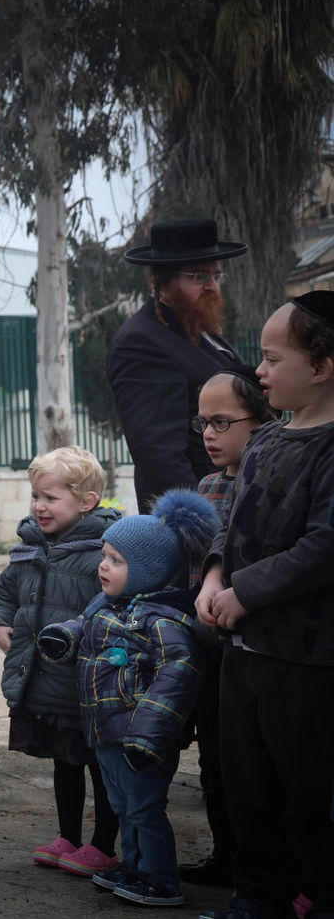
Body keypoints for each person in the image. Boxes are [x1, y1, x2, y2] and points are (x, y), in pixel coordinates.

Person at [194, 291, 334, 919]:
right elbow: (233, 523)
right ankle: (257, 896)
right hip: (242, 649)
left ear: (323, 365)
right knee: (246, 782)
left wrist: (244, 592)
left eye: (274, 359)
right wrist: (215, 574)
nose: (260, 372)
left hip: (305, 657)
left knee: (305, 791)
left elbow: (325, 546)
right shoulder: (270, 441)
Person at [39, 489, 218, 908]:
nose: (104, 566)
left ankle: (159, 878)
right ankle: (134, 867)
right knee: (122, 804)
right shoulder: (109, 607)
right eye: (105, 555)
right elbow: (84, 627)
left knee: (144, 807)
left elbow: (178, 678)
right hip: (106, 728)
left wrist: (149, 735)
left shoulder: (164, 623)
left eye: (116, 561)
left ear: (148, 570)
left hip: (140, 738)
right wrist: (64, 636)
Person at [0, 446, 122, 877]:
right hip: (46, 681)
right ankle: (68, 837)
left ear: (86, 501)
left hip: (88, 684)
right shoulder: (29, 548)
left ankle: (103, 845)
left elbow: (115, 606)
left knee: (100, 766)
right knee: (66, 761)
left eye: (51, 498)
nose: (39, 507)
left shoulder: (105, 551)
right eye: (35, 497)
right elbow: (5, 594)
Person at [181, 370, 278, 888]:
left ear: (262, 422)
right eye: (203, 422)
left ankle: (269, 872)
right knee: (215, 756)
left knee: (259, 763)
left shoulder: (272, 481)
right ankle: (226, 856)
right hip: (207, 644)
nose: (209, 434)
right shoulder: (207, 486)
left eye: (222, 422)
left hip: (257, 643)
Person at [108, 218, 249, 513]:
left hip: (235, 497)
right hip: (198, 513)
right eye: (199, 276)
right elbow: (160, 456)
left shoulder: (198, 329)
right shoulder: (140, 342)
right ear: (163, 282)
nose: (212, 286)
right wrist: (202, 521)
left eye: (215, 276)